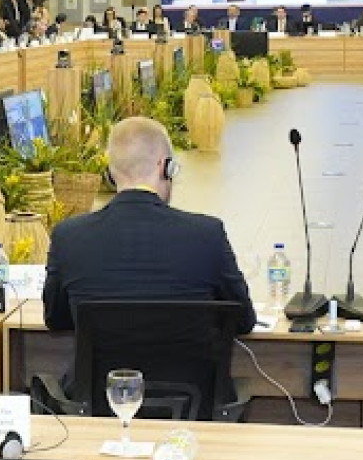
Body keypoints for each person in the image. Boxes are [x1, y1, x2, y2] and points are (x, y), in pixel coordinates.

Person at [42, 117, 256, 333]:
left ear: (110, 174)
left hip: (104, 368)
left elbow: (56, 321)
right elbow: (243, 320)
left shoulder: (68, 237)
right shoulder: (208, 234)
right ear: (166, 168)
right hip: (182, 367)